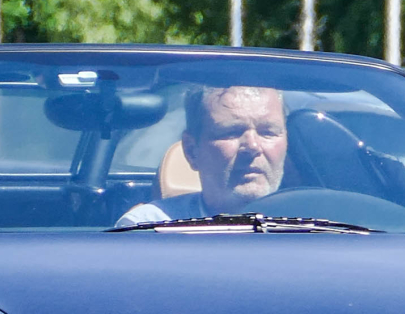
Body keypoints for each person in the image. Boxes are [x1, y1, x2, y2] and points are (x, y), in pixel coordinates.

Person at [114, 84, 290, 225]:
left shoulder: (314, 226)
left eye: (268, 132)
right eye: (231, 132)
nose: (252, 146)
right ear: (191, 151)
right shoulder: (149, 230)